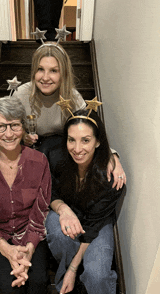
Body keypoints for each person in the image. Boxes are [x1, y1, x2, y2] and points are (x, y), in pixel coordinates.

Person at [12, 42, 126, 189]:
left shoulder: (73, 97)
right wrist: (23, 136)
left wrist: (112, 156)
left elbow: (91, 131)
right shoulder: (20, 94)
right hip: (31, 149)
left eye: (54, 71)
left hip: (61, 150)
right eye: (40, 69)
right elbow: (9, 128)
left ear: (63, 73)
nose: (45, 77)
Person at [0, 96, 51, 294]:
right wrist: (9, 252)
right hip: (0, 237)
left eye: (14, 125)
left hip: (31, 235)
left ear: (23, 128)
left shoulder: (39, 161)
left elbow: (40, 212)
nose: (8, 134)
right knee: (9, 288)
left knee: (39, 281)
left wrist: (27, 253)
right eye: (0, 127)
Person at [45, 103, 126, 294]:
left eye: (85, 140)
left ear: (98, 142)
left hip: (96, 222)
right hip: (64, 209)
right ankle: (69, 273)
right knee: (58, 232)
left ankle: (76, 271)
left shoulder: (111, 177)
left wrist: (73, 269)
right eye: (71, 140)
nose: (77, 148)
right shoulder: (56, 157)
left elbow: (92, 227)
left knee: (96, 275)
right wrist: (64, 210)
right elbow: (48, 192)